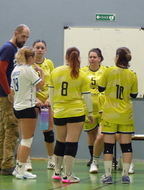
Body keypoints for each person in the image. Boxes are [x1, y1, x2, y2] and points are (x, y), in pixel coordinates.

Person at [49, 47, 94, 183]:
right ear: (78, 58)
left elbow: (50, 94)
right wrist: (90, 113)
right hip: (76, 112)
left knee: (60, 141)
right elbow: (87, 97)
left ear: (65, 57)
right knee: (71, 143)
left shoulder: (55, 72)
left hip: (59, 111)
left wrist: (53, 109)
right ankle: (68, 175)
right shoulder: (82, 75)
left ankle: (57, 172)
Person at [98, 47, 138, 184]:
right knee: (126, 146)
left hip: (110, 113)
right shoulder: (132, 74)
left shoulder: (108, 71)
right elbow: (134, 94)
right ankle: (125, 175)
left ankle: (108, 175)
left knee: (108, 145)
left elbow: (100, 88)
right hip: (126, 113)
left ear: (117, 57)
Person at [0, 24, 30, 175]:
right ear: (16, 33)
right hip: (6, 96)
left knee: (4, 130)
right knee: (12, 130)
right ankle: (8, 163)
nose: (24, 40)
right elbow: (1, 71)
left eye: (27, 37)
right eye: (23, 36)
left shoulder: (12, 49)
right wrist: (9, 91)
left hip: (3, 95)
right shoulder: (9, 48)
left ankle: (2, 162)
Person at [8, 46, 45, 179]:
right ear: (30, 57)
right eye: (33, 56)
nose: (35, 59)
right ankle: (21, 170)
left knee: (23, 139)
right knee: (27, 140)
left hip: (17, 107)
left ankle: (18, 168)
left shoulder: (15, 70)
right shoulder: (28, 70)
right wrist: (41, 72)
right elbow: (41, 85)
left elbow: (12, 91)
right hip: (27, 107)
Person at [23, 39, 56, 171]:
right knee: (29, 133)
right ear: (33, 49)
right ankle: (26, 160)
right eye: (37, 47)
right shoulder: (28, 65)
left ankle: (51, 159)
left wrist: (49, 98)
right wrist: (35, 98)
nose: (40, 50)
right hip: (32, 101)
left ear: (45, 50)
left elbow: (53, 82)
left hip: (45, 103)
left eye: (42, 47)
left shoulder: (49, 63)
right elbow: (26, 84)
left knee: (47, 130)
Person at [80, 48, 106, 168]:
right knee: (91, 133)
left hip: (103, 107)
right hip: (88, 107)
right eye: (90, 57)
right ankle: (92, 158)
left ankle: (108, 156)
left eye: (94, 57)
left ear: (99, 59)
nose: (92, 59)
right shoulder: (83, 71)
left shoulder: (106, 71)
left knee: (104, 134)